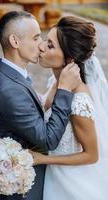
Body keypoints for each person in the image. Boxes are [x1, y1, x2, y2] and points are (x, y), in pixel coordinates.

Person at [0, 11, 81, 200]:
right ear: (15, 41)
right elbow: (47, 140)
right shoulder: (8, 90)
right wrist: (64, 89)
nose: (41, 44)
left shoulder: (16, 75)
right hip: (22, 191)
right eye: (36, 37)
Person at [31, 16, 108, 199]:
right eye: (44, 39)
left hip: (73, 184)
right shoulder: (55, 81)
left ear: (69, 59)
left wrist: (44, 159)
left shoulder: (79, 101)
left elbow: (91, 155)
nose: (40, 46)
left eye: (50, 45)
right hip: (54, 176)